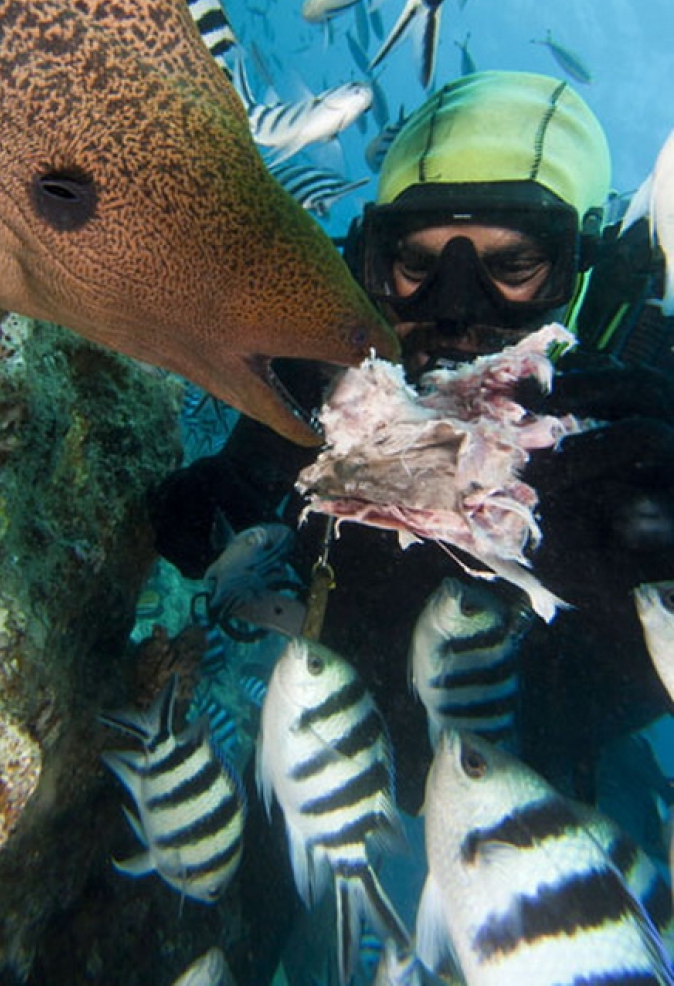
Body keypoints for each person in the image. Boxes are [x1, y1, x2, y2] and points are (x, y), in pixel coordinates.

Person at [148, 72, 674, 980]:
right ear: (370, 260)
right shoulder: (332, 375)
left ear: (577, 269)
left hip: (557, 807)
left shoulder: (643, 398)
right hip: (327, 758)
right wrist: (220, 501)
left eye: (514, 266)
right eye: (416, 264)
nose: (455, 309)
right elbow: (208, 523)